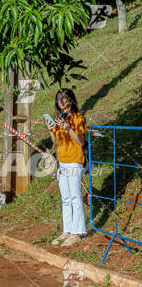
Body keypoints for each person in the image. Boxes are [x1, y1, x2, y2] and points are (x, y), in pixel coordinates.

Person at [46, 88, 87, 247]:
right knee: (66, 198)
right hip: (62, 161)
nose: (61, 101)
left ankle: (78, 232)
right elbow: (55, 142)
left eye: (64, 97)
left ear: (71, 99)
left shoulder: (78, 117)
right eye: (58, 98)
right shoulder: (58, 119)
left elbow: (81, 141)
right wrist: (51, 129)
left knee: (76, 197)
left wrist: (67, 127)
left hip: (75, 160)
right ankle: (67, 230)